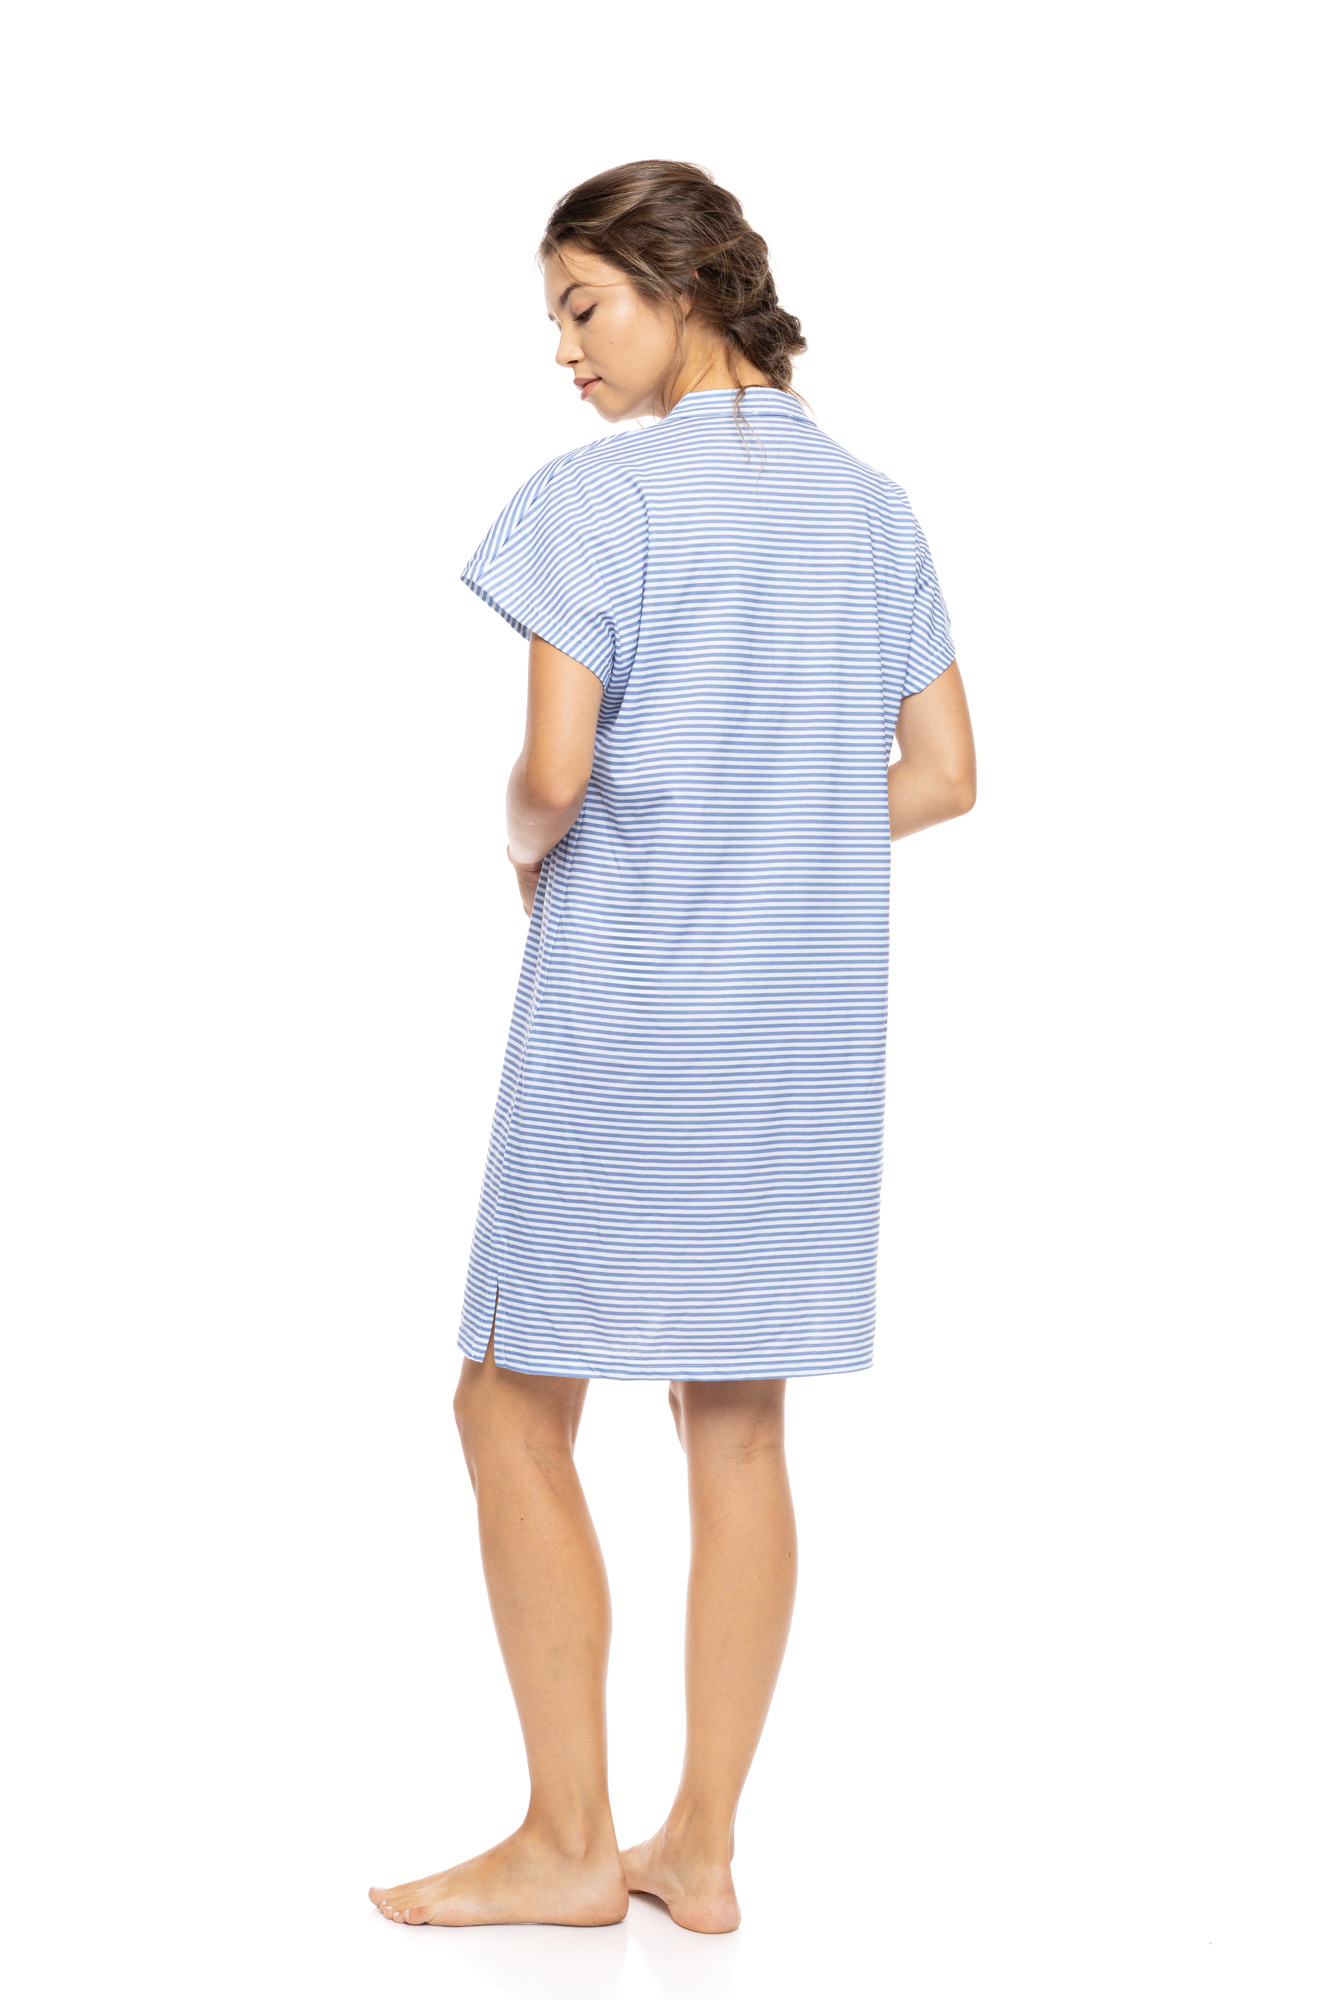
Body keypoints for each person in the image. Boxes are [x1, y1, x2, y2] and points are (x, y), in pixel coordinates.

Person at [370, 159, 976, 1936]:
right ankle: (697, 1849)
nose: (561, 349)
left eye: (582, 306)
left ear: (682, 286)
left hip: (628, 1007)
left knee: (506, 1398)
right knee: (737, 1424)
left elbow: (554, 773)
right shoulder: (872, 509)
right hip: (799, 1037)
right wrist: (784, 823)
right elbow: (944, 775)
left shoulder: (595, 499)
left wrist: (520, 845)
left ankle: (570, 1841)